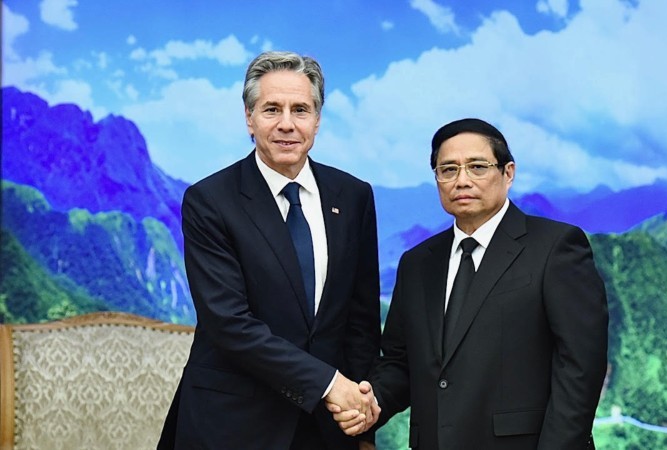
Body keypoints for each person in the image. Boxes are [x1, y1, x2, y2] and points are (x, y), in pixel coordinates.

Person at [332, 118, 608, 449]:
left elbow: (580, 368)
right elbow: (400, 362)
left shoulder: (556, 247)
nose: (462, 180)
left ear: (508, 173)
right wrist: (372, 402)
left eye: (477, 167)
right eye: (447, 170)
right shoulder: (417, 263)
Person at [158, 51, 381, 450]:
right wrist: (330, 385)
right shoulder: (209, 200)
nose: (287, 124)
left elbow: (360, 320)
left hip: (328, 429)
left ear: (317, 118)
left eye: (300, 109)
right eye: (271, 109)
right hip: (232, 426)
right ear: (249, 117)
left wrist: (362, 425)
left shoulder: (353, 196)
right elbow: (229, 323)